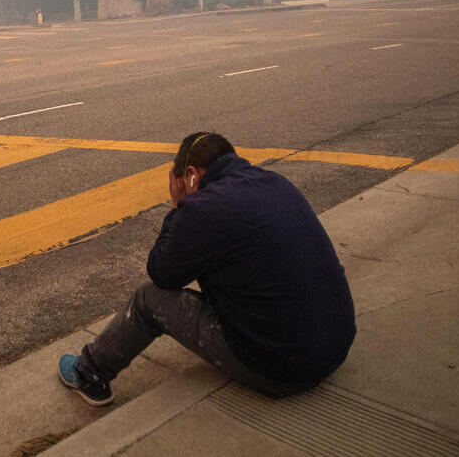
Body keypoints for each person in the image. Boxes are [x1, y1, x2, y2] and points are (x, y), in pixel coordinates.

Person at [58, 132, 355, 406]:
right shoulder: (274, 181)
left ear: (190, 176)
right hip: (336, 345)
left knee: (149, 300)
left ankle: (89, 374)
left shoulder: (202, 208)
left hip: (282, 368)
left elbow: (162, 273)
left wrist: (178, 206)